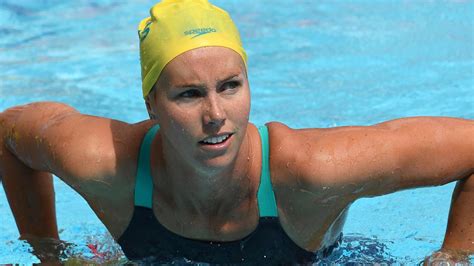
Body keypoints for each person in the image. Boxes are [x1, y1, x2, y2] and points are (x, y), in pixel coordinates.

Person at [0, 0, 473, 264]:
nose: (216, 115)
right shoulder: (105, 163)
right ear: (151, 105)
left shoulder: (310, 173)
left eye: (230, 87)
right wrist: (47, 251)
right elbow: (9, 134)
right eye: (188, 95)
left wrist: (454, 255)